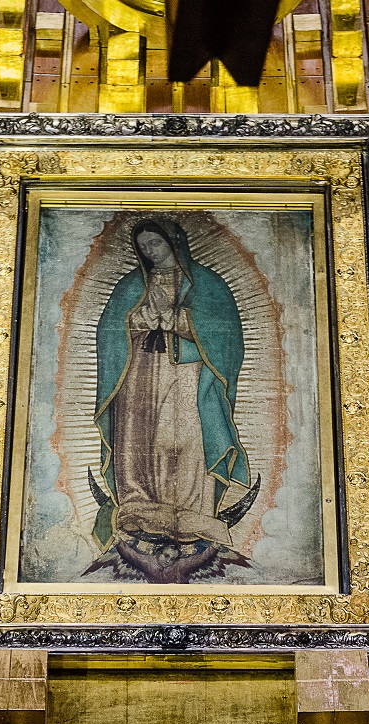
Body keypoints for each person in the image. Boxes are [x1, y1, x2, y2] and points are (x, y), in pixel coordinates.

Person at [91, 219, 251, 554]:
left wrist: (175, 318)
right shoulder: (131, 285)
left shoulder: (206, 284)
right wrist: (139, 319)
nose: (149, 251)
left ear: (174, 242)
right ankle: (139, 506)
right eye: (143, 246)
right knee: (138, 437)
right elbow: (109, 331)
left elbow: (225, 336)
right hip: (138, 373)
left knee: (184, 438)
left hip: (186, 374)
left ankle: (191, 510)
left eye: (156, 243)